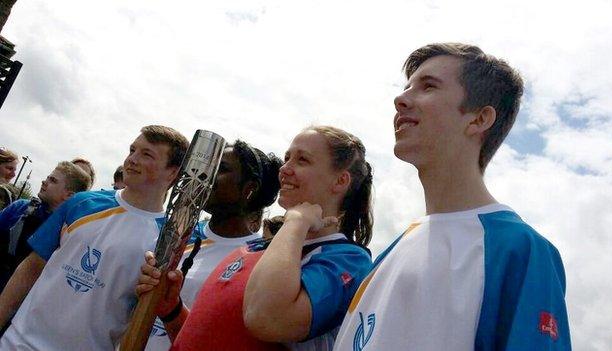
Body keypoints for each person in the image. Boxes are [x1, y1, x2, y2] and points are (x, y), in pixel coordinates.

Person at [334, 43, 571, 350]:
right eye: (406, 87)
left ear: (478, 119)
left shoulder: (519, 250)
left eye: (428, 86)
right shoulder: (390, 252)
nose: (400, 99)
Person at [138, 126, 374, 350]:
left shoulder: (347, 260)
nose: (285, 168)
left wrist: (296, 221)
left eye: (302, 160)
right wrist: (172, 310)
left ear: (340, 181)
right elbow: (207, 340)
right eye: (287, 157)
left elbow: (268, 319)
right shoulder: (254, 249)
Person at [0, 125, 189, 350]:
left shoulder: (167, 241)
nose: (132, 159)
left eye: (146, 154)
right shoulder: (82, 203)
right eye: (132, 150)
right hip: (18, 343)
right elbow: (31, 268)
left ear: (173, 172)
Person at [144, 140, 282, 351]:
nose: (207, 177)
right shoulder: (175, 235)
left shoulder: (257, 261)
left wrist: (172, 310)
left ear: (249, 189)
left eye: (222, 169)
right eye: (211, 167)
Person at [0, 161, 90, 292]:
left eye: (52, 180)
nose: (44, 181)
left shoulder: (71, 233)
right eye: (47, 177)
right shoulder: (20, 208)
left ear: (69, 195)